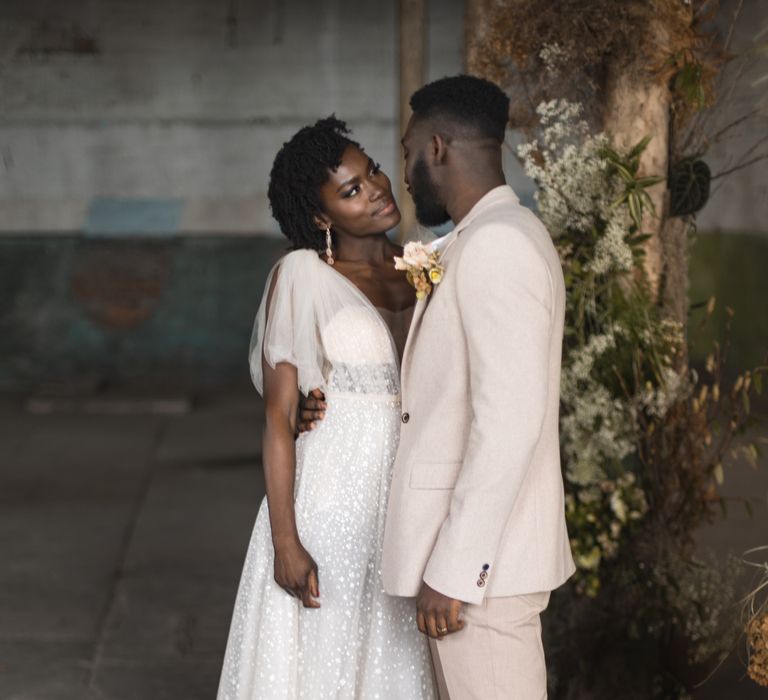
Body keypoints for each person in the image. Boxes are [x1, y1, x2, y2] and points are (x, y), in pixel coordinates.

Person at [301, 75, 576, 699]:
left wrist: (457, 570)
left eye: (404, 152)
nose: (400, 172)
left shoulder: (498, 245)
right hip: (482, 571)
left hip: (485, 575)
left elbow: (507, 421)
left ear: (438, 147)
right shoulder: (486, 237)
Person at [216, 117, 436, 699]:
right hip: (331, 497)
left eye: (372, 172)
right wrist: (286, 541)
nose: (377, 190)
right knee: (323, 660)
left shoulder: (426, 267)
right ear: (320, 216)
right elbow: (279, 423)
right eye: (352, 191)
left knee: (394, 656)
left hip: (410, 496)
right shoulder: (302, 277)